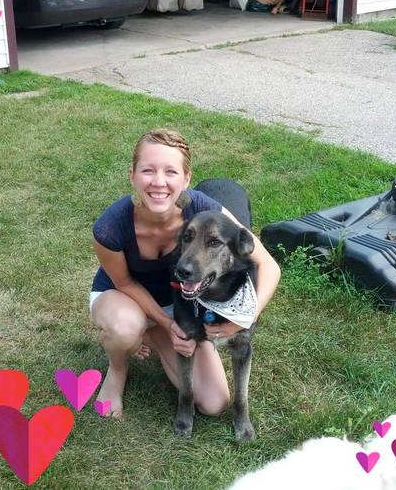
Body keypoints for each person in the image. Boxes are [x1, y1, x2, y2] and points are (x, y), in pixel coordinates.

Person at [90, 129, 281, 419]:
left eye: (170, 172)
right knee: (125, 327)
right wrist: (168, 324)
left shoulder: (203, 209)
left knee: (214, 402)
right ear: (132, 175)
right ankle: (118, 370)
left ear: (186, 178)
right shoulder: (111, 226)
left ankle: (151, 335)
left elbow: (269, 265)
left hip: (180, 303)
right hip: (123, 297)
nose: (159, 182)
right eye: (148, 170)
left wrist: (244, 319)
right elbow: (124, 282)